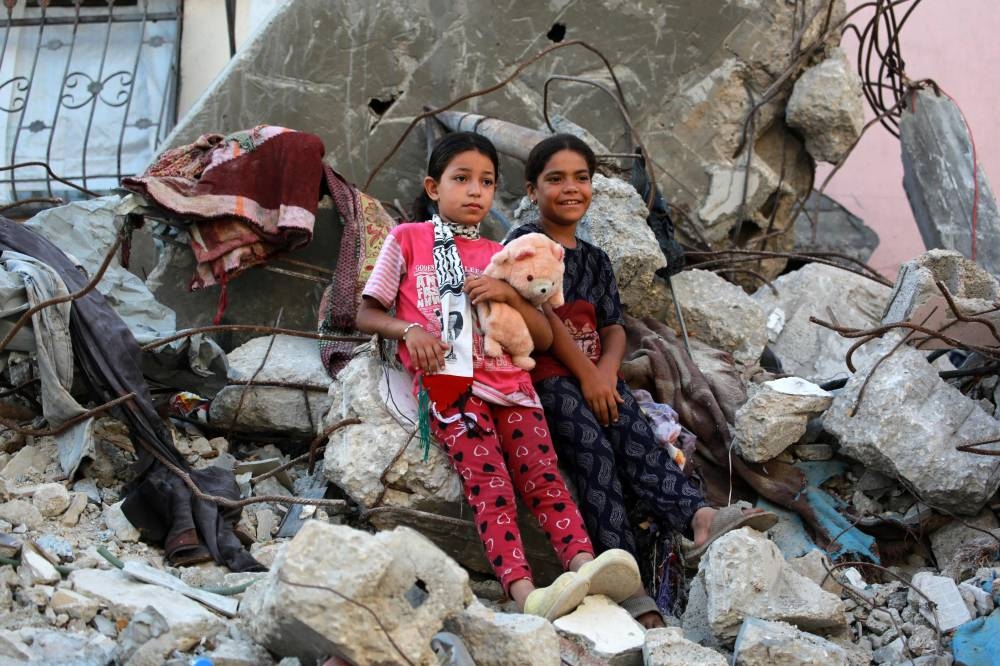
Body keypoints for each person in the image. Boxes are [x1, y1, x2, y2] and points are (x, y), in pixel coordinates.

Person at [356, 131, 642, 621]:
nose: (475, 191)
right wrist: (409, 331)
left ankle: (584, 567)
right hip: (451, 385)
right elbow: (365, 312)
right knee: (491, 487)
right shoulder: (408, 239)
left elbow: (544, 335)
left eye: (486, 182)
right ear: (433, 187)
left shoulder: (502, 252)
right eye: (461, 179)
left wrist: (508, 295)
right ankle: (524, 592)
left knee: (544, 479)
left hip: (514, 385)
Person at [508, 134, 777, 627]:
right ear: (532, 190)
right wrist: (589, 376)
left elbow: (613, 326)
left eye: (581, 178)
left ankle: (698, 517)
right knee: (593, 452)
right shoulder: (526, 245)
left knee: (635, 434)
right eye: (556, 179)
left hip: (595, 373)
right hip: (547, 377)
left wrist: (606, 373)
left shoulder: (595, 259)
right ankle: (626, 583)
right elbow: (541, 317)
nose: (571, 188)